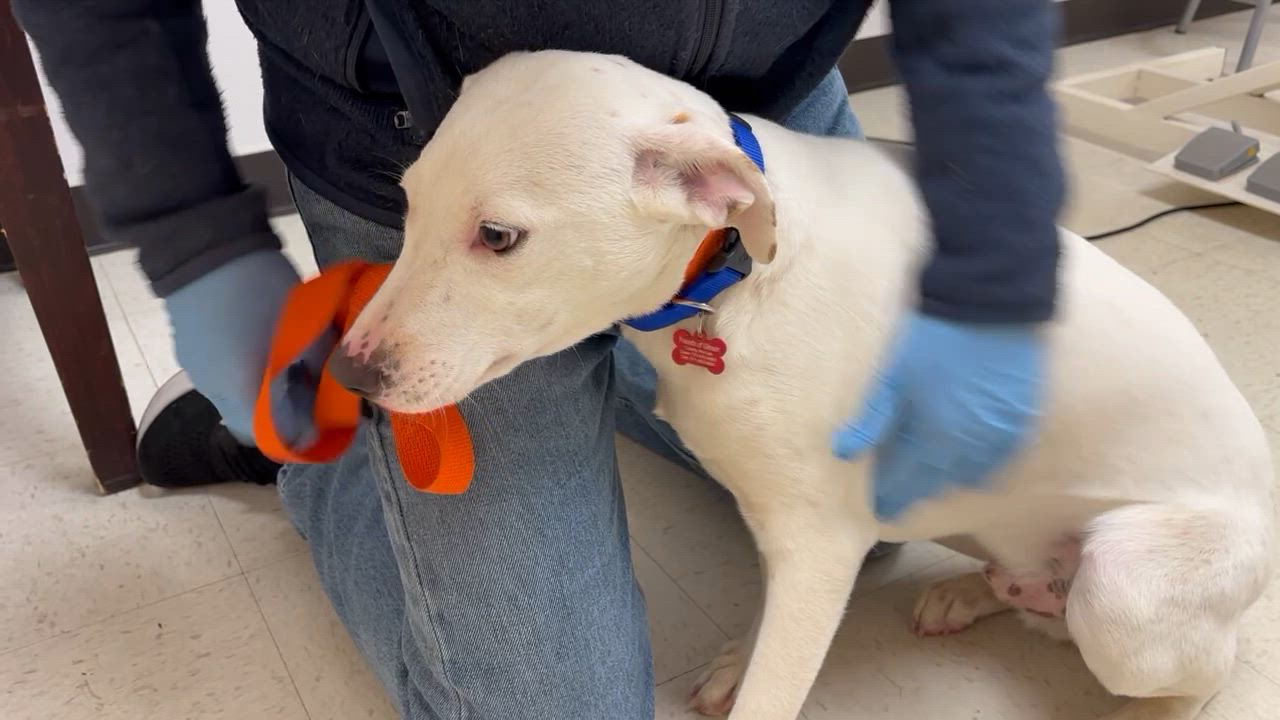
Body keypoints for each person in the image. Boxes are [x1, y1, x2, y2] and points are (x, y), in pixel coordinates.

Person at [17, 1, 1063, 717]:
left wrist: (997, 259)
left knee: (864, 529)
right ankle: (319, 452)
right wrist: (197, 243)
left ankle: (595, 355)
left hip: (745, 118)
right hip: (421, 128)